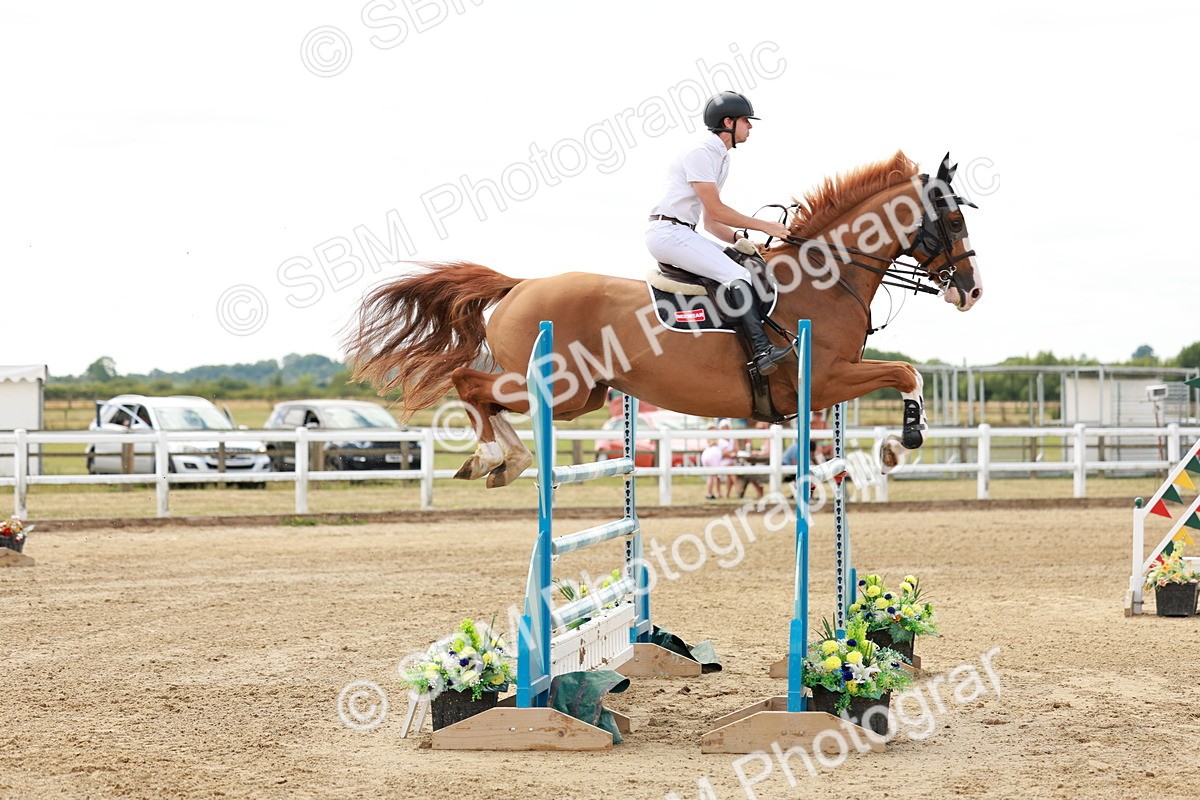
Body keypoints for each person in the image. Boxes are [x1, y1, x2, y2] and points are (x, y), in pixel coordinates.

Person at [645, 90, 793, 376]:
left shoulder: (722, 157)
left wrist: (741, 240)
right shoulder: (701, 152)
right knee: (737, 276)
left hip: (683, 231)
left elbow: (712, 222)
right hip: (668, 232)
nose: (750, 126)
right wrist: (766, 225)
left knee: (742, 264)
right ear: (728, 123)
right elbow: (718, 209)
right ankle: (762, 352)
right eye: (746, 120)